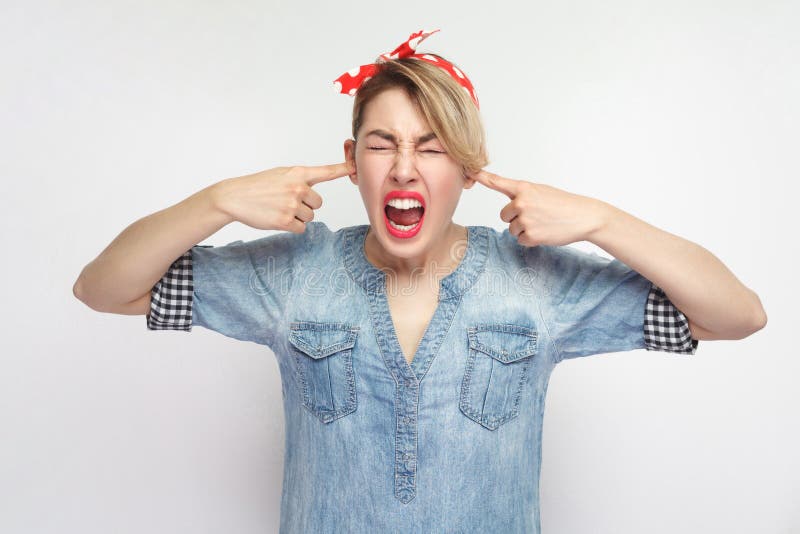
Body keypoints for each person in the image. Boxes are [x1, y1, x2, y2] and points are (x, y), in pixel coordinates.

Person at [73, 29, 766, 534]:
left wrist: (602, 220)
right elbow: (104, 289)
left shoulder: (537, 285)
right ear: (353, 162)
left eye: (431, 147)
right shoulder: (293, 275)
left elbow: (737, 315)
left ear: (467, 169)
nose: (405, 167)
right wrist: (218, 200)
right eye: (383, 144)